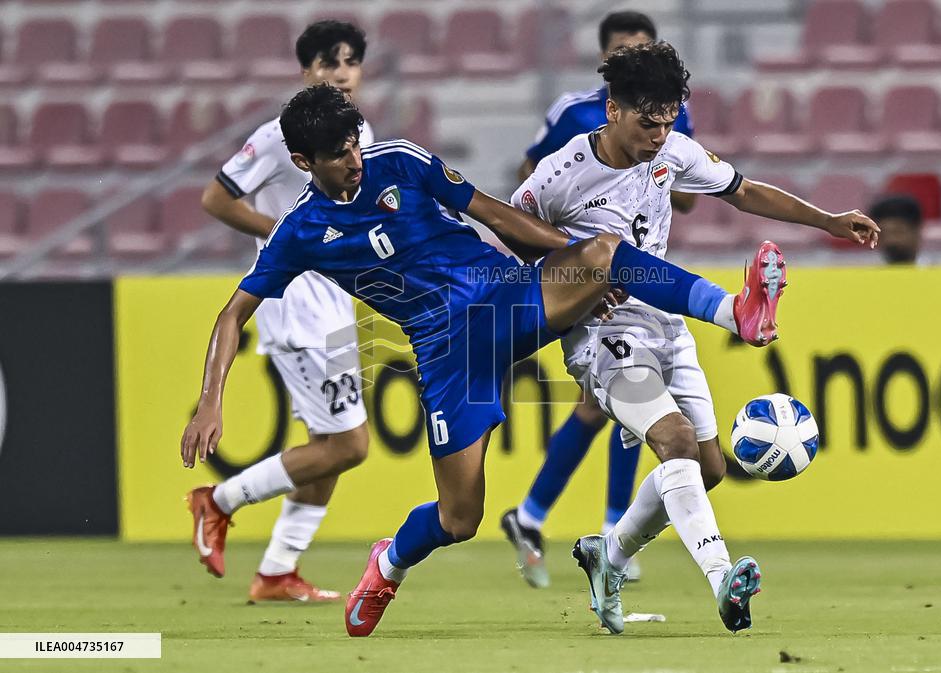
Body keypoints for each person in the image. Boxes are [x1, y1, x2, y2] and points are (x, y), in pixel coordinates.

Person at [179, 83, 873, 638]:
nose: (354, 159)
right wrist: (212, 399)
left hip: (503, 296)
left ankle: (734, 311)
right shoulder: (300, 231)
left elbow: (493, 213)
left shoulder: (400, 161)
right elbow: (233, 313)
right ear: (304, 162)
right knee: (460, 519)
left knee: (604, 252)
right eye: (337, 154)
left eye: (354, 143)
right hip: (448, 353)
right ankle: (388, 563)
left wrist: (571, 264)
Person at [509, 42, 877, 635]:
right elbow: (512, 233)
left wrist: (827, 221)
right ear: (612, 110)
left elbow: (743, 190)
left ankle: (610, 556)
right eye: (647, 123)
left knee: (707, 469)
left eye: (668, 122)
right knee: (675, 440)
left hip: (667, 321)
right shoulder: (561, 172)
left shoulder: (673, 150)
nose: (659, 136)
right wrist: (572, 284)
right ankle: (723, 578)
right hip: (602, 334)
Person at [501, 11, 700, 587]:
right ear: (605, 59)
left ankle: (533, 515)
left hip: (640, 270)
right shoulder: (572, 113)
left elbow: (687, 194)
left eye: (643, 46)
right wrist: (567, 257)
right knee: (632, 398)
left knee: (606, 405)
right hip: (590, 281)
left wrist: (653, 169)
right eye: (622, 48)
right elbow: (532, 180)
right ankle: (611, 527)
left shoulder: (668, 115)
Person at [188, 20, 373, 604]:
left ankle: (276, 572)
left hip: (333, 299)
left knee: (328, 446)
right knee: (349, 445)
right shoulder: (277, 137)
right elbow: (216, 197)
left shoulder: (359, 133)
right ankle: (218, 501)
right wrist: (283, 232)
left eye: (350, 61)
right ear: (305, 71)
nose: (341, 72)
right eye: (328, 62)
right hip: (296, 303)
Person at [869, 194, 923, 265]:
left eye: (897, 232)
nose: (890, 240)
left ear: (916, 231)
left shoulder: (933, 268)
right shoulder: (867, 270)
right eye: (882, 235)